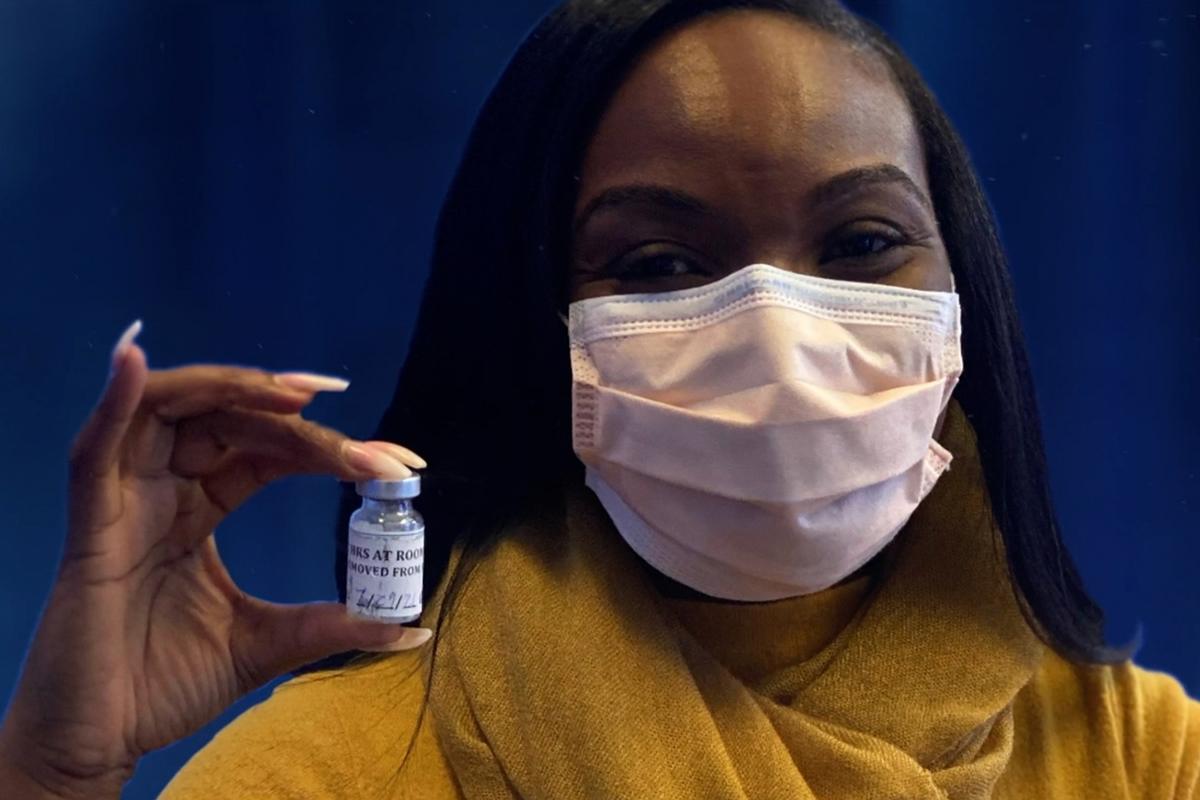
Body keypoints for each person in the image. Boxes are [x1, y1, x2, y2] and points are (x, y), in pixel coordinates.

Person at [2, 0, 1197, 797]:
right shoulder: (333, 771)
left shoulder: (1133, 753)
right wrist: (53, 777)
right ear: (532, 324)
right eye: (663, 265)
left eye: (863, 240)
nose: (781, 336)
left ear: (965, 291)